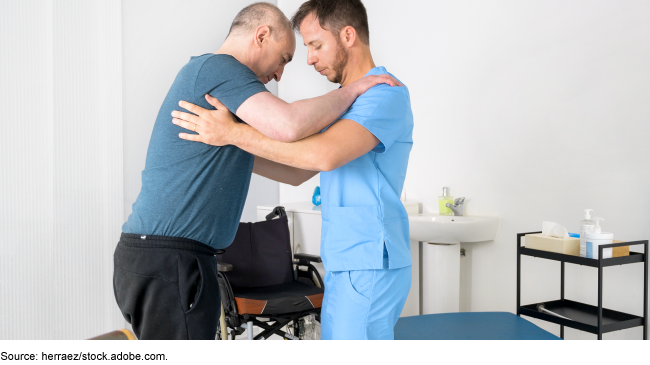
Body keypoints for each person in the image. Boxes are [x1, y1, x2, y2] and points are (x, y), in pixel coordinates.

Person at [114, 2, 399, 340]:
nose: (280, 75)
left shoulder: (229, 114)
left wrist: (338, 142)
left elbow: (294, 169)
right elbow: (289, 124)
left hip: (165, 257)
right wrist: (353, 90)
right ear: (262, 35)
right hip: (170, 258)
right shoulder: (219, 68)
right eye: (284, 58)